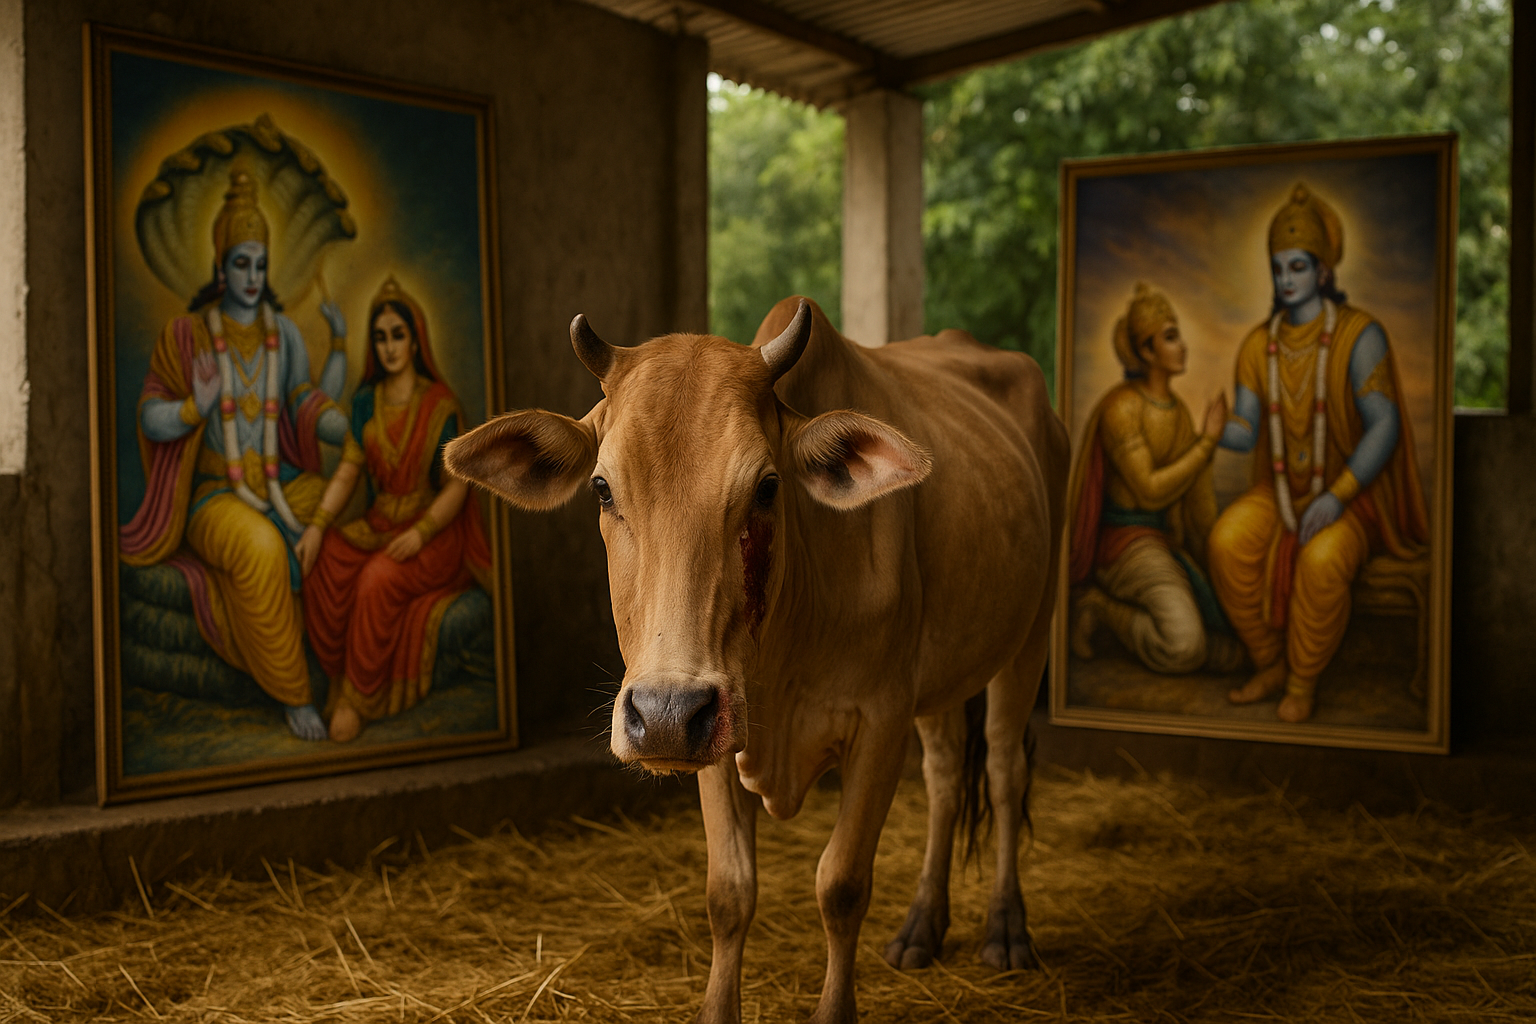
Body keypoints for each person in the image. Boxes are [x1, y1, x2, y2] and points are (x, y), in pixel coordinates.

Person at [119, 169, 350, 741]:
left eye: (260, 265)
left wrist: (340, 423)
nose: (252, 277)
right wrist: (194, 409)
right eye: (241, 264)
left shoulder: (285, 334)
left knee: (338, 520)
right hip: (213, 496)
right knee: (262, 547)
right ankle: (295, 695)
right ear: (221, 268)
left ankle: (348, 683)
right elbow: (149, 413)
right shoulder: (186, 336)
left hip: (282, 481)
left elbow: (302, 399)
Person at [1209, 183, 1429, 723]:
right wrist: (1211, 431)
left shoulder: (1360, 336)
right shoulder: (1258, 345)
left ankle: (1303, 681)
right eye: (1279, 268)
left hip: (1352, 496)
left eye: (1298, 267)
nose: (1286, 280)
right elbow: (1247, 429)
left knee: (1322, 560)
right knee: (1226, 542)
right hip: (1281, 491)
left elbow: (1384, 426)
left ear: (1324, 271)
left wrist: (1337, 495)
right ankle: (1270, 663)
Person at [300, 276, 491, 743]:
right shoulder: (365, 402)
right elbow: (347, 472)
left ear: (415, 339)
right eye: (380, 337)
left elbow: (457, 488)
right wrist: (318, 527)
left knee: (376, 579)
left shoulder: (440, 404)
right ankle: (339, 682)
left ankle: (358, 700)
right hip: (380, 522)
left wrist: (421, 532)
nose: (389, 347)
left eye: (398, 335)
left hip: (432, 533)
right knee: (323, 563)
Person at [1066, 283, 1243, 675]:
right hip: (1123, 545)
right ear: (1146, 352)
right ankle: (1100, 607)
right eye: (1170, 337)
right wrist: (1207, 442)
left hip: (1162, 542)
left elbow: (1193, 498)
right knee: (1184, 647)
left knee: (1231, 625)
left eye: (1178, 335)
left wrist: (1217, 550)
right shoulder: (1122, 408)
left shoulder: (1177, 412)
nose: (1183, 346)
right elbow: (1148, 491)